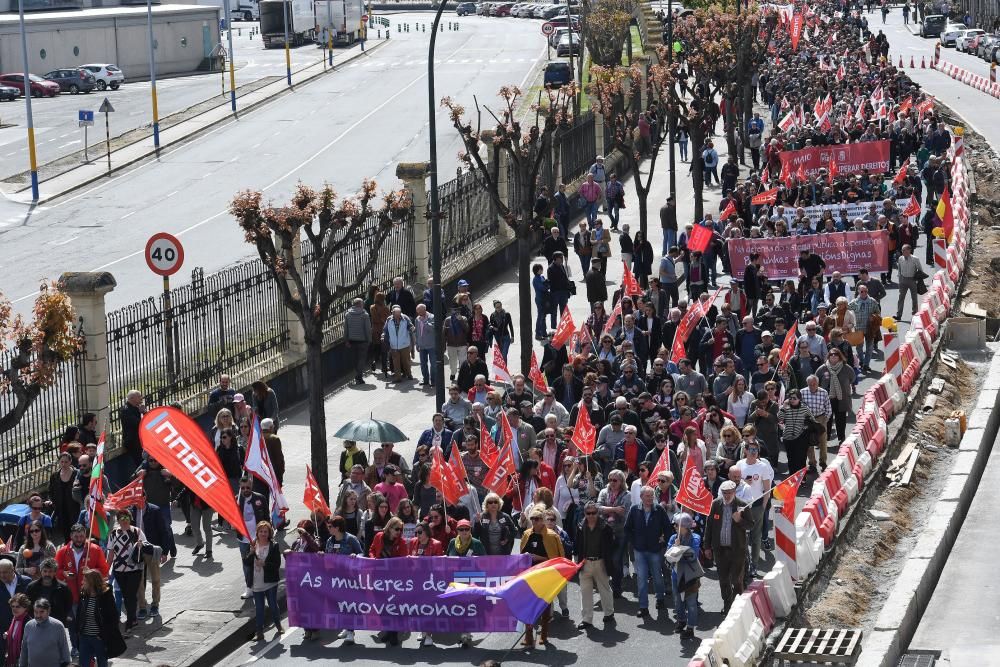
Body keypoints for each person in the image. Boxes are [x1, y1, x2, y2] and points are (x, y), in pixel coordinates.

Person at [106, 510, 162, 633]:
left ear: (130, 518)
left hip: (134, 570)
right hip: (119, 571)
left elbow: (147, 547)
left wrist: (142, 545)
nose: (124, 520)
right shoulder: (113, 534)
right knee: (126, 596)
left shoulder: (137, 531)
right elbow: (110, 554)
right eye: (121, 518)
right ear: (118, 520)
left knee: (131, 596)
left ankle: (130, 622)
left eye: (126, 517)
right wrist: (106, 570)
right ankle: (133, 619)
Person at [704, 480, 753, 613]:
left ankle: (738, 607)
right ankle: (727, 604)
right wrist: (707, 547)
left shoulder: (742, 505)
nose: (726, 495)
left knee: (736, 580)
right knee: (723, 580)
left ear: (734, 492)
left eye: (729, 493)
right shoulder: (715, 504)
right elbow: (709, 527)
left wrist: (740, 520)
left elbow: (750, 525)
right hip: (720, 550)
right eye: (724, 493)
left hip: (737, 550)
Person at [519, 508, 565, 648]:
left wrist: (539, 558)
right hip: (530, 574)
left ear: (543, 520)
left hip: (546, 574)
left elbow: (558, 558)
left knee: (545, 606)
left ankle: (544, 636)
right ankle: (528, 638)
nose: (534, 521)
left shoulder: (552, 536)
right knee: (528, 606)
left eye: (537, 519)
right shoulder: (527, 534)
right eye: (532, 519)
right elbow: (520, 554)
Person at [623, 486, 671, 617]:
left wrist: (665, 540)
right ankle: (643, 607)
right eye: (647, 496)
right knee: (642, 578)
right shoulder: (634, 510)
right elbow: (627, 529)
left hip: (655, 550)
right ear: (641, 497)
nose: (650, 498)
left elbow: (668, 527)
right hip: (640, 550)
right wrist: (634, 542)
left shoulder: (659, 510)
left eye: (652, 496)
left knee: (657, 577)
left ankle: (660, 599)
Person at [573, 501, 615, 630]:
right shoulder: (580, 526)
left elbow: (612, 544)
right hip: (585, 563)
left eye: (594, 513)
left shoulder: (605, 527)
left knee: (604, 588)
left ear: (598, 513)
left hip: (600, 562)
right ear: (585, 513)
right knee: (585, 592)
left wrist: (608, 560)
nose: (591, 515)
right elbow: (577, 545)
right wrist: (577, 562)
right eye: (588, 513)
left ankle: (609, 613)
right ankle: (587, 619)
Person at [368, 517, 409, 646]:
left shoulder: (401, 542)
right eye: (396, 529)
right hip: (378, 576)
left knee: (392, 605)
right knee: (381, 604)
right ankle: (387, 629)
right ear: (389, 528)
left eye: (401, 530)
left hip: (393, 579)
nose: (399, 532)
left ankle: (393, 633)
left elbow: (404, 559)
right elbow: (372, 549)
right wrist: (373, 558)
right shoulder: (379, 536)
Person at [735, 442, 773, 576]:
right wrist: (745, 482)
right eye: (751, 449)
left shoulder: (763, 466)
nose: (753, 452)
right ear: (745, 451)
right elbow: (735, 482)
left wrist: (763, 506)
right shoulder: (740, 464)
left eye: (756, 450)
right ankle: (744, 563)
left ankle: (754, 566)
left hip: (757, 506)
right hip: (742, 505)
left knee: (756, 538)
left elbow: (767, 488)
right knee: (742, 537)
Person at [75, 569, 126, 667]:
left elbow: (114, 618)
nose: (82, 582)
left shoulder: (105, 596)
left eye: (85, 580)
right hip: (84, 637)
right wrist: (78, 632)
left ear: (92, 582)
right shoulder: (83, 595)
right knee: (83, 664)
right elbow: (79, 615)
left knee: (102, 663)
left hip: (98, 638)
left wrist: (102, 634)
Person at [666, 513, 702, 640]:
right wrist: (675, 547)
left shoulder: (695, 538)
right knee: (678, 600)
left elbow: (693, 556)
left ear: (685, 526)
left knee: (691, 602)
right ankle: (681, 621)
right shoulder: (672, 538)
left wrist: (679, 549)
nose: (675, 526)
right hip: (676, 574)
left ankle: (690, 627)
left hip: (690, 576)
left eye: (677, 524)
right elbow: (669, 556)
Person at [596, 469, 631, 597]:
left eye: (615, 480)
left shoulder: (627, 495)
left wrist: (607, 510)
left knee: (616, 560)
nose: (611, 482)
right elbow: (597, 508)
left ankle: (617, 587)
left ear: (621, 481)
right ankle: (605, 585)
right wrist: (614, 509)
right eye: (610, 480)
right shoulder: (604, 492)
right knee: (604, 560)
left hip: (620, 532)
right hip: (605, 532)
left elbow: (624, 512)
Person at [245, 522, 281, 643]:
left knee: (272, 605)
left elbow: (277, 565)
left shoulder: (274, 546)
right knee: (259, 608)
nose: (263, 534)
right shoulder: (253, 544)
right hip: (256, 583)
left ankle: (278, 625)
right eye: (261, 531)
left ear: (269, 533)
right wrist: (250, 553)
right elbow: (246, 562)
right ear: (257, 533)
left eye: (266, 531)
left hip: (270, 582)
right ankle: (259, 632)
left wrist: (265, 564)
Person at [17, 597, 70, 666]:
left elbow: (64, 649)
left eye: (42, 612)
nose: (38, 615)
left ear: (48, 611)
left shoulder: (58, 626)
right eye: (36, 612)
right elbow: (24, 649)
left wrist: (66, 664)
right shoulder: (28, 626)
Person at [25, 560, 71, 628]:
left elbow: (68, 606)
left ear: (55, 572)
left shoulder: (63, 588)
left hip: (56, 625)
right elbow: (27, 606)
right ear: (41, 571)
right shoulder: (31, 587)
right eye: (45, 571)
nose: (47, 574)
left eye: (50, 571)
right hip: (36, 624)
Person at [47, 453, 79, 545]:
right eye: (62, 462)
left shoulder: (76, 474)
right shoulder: (55, 476)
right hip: (60, 508)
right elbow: (50, 491)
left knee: (76, 528)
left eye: (66, 462)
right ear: (59, 462)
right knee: (65, 530)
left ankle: (77, 544)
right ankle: (68, 546)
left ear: (70, 462)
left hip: (74, 507)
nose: (64, 464)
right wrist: (50, 501)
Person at [345, 298, 373, 385]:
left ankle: (358, 375)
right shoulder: (365, 315)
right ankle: (359, 376)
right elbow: (368, 329)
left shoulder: (347, 314)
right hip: (363, 340)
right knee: (361, 359)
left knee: (355, 359)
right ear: (361, 304)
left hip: (352, 341)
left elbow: (345, 329)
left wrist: (346, 340)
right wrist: (369, 340)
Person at [118, 390, 146, 468]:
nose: (141, 398)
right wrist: (142, 412)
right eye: (139, 396)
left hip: (139, 439)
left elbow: (147, 422)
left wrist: (144, 412)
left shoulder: (136, 408)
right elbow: (139, 424)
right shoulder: (125, 410)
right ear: (132, 398)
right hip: (132, 441)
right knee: (140, 462)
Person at [4, 593, 31, 667]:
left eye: (17, 606)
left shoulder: (29, 622)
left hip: (24, 659)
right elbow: (14, 634)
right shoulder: (14, 619)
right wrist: (8, 633)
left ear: (25, 607)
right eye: (12, 606)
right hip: (13, 659)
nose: (14, 609)